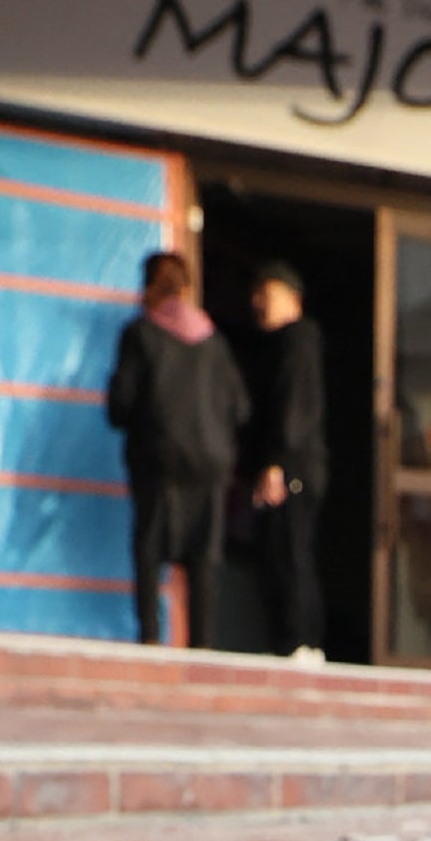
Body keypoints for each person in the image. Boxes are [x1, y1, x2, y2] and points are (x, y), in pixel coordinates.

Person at [105, 250, 248, 648]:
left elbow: (120, 406)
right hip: (210, 465)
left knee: (150, 553)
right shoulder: (213, 340)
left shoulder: (140, 335)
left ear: (148, 287)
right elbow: (240, 406)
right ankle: (201, 648)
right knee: (203, 560)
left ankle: (151, 640)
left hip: (159, 462)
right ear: (186, 288)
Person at [245, 262, 329, 657]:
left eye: (269, 293)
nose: (259, 302)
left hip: (294, 467)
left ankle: (301, 643)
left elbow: (294, 409)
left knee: (291, 555)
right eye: (257, 293)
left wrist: (277, 464)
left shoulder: (298, 341)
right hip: (292, 465)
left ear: (293, 299)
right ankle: (293, 643)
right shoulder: (281, 345)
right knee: (281, 556)